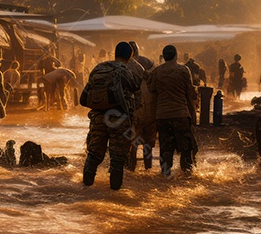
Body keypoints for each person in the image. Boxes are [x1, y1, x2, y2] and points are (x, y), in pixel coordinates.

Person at [80, 41, 141, 190]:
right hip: (119, 120)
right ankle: (114, 194)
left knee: (94, 154)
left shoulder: (98, 68)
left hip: (98, 118)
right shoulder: (125, 71)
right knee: (117, 159)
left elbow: (86, 94)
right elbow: (135, 87)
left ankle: (85, 188)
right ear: (130, 56)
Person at [147, 44, 198, 177]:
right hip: (181, 114)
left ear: (163, 57)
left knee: (165, 148)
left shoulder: (157, 72)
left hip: (162, 116)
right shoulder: (183, 70)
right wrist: (192, 114)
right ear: (176, 56)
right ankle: (187, 177)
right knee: (186, 149)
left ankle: (166, 176)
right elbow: (189, 94)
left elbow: (151, 89)